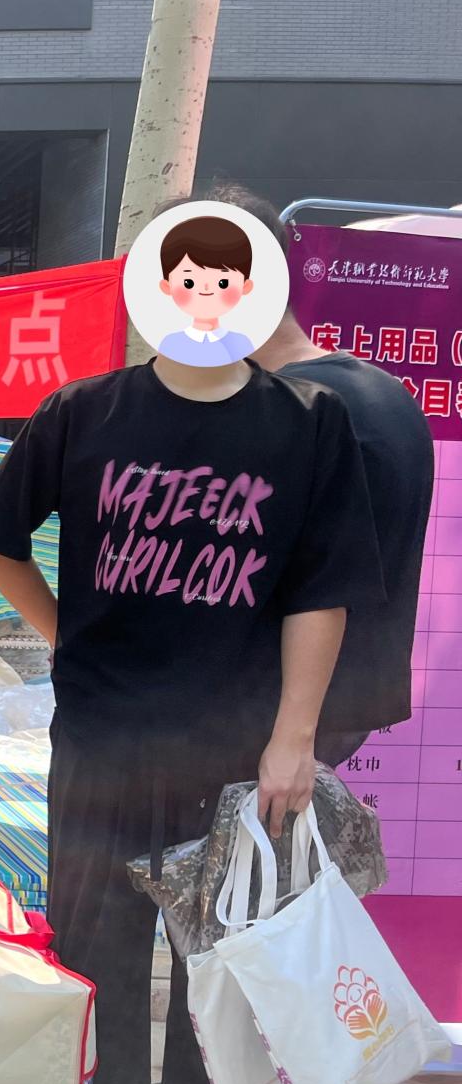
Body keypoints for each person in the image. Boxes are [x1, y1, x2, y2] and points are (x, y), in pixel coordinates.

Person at [0, 306, 383, 1084]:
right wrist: (64, 632)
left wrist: (295, 736)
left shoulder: (307, 420)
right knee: (95, 951)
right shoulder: (83, 411)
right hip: (104, 740)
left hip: (238, 748)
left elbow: (324, 590)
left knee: (229, 963)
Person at [212, 184, 436, 766]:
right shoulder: (388, 394)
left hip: (265, 714)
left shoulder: (279, 409)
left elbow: (297, 577)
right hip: (343, 704)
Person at [154, 215, 259, 366]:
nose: (206, 289)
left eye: (223, 283)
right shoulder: (171, 343)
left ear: (245, 286)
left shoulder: (241, 343)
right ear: (167, 286)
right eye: (189, 283)